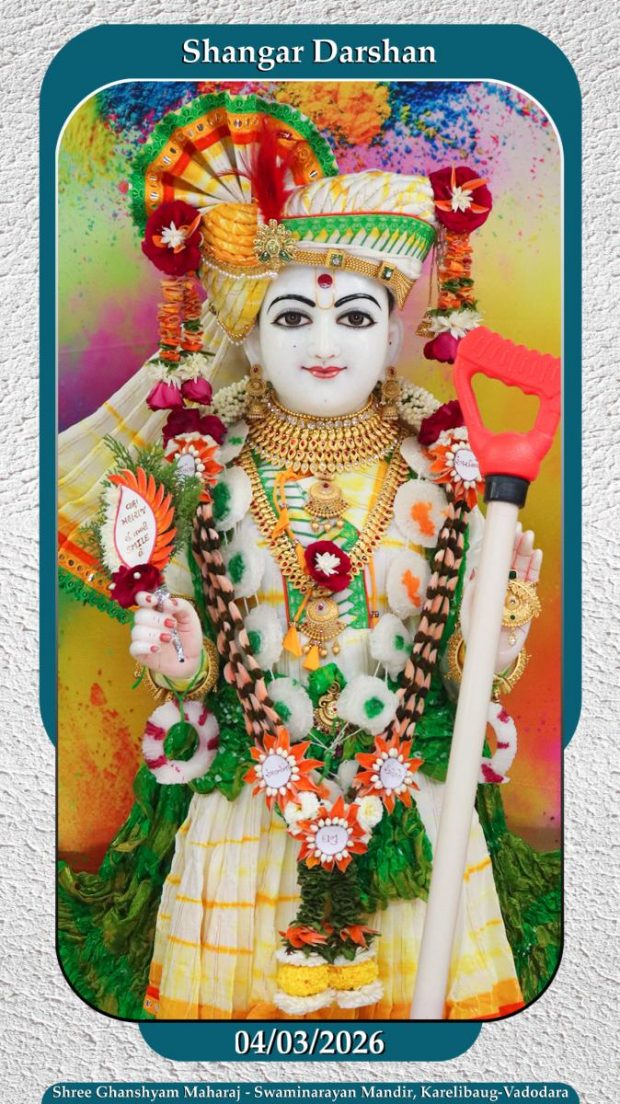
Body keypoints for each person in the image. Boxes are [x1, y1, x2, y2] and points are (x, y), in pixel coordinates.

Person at [58, 91, 560, 1021]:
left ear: (396, 335)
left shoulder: (447, 468)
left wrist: (490, 647)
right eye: (293, 319)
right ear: (248, 339)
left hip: (407, 795)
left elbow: (456, 670)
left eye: (356, 319)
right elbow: (201, 668)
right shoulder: (205, 470)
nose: (325, 344)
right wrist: (182, 658)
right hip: (253, 798)